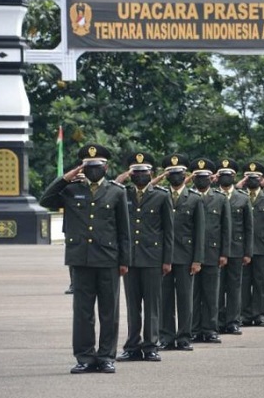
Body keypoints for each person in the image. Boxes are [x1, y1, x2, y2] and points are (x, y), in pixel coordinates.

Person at [40, 144, 131, 374]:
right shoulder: (71, 190)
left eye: (97, 166)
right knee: (83, 313)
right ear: (82, 168)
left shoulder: (116, 191)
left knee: (109, 312)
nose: (93, 170)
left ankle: (106, 357)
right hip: (80, 259)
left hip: (108, 259)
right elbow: (46, 200)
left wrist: (124, 261)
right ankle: (85, 357)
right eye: (88, 166)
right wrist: (65, 178)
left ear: (106, 167)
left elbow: (124, 230)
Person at [115, 152, 174, 363]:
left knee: (152, 305)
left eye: (144, 171)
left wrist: (167, 259)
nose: (140, 175)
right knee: (133, 306)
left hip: (153, 258)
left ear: (152, 173)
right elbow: (111, 188)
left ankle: (150, 346)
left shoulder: (161, 195)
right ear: (131, 174)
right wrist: (122, 177)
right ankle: (132, 346)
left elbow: (168, 231)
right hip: (130, 259)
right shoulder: (123, 193)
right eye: (136, 172)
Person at [158, 153, 205, 352]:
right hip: (163, 257)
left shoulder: (194, 198)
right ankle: (166, 336)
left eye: (179, 173)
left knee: (185, 298)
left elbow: (200, 231)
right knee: (165, 298)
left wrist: (197, 259)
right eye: (172, 173)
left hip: (186, 256)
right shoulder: (160, 196)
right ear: (167, 175)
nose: (175, 177)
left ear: (185, 175)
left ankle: (184, 336)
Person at [189, 158, 231, 343]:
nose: (201, 181)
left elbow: (226, 228)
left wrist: (224, 253)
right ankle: (194, 328)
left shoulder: (220, 199)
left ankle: (210, 329)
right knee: (193, 294)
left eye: (205, 177)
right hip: (190, 254)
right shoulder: (188, 197)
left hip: (213, 252)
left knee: (211, 294)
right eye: (198, 177)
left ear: (212, 178)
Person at [239, 162, 264, 327]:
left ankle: (260, 314)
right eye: (249, 177)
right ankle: (245, 314)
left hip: (263, 247)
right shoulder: (240, 196)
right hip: (243, 248)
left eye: (255, 177)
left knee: (261, 282)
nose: (252, 180)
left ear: (262, 179)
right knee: (244, 282)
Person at [216, 158, 254, 336]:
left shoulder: (242, 198)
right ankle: (217, 320)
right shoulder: (213, 195)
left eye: (228, 175)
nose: (225, 178)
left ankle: (232, 321)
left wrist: (248, 251)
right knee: (217, 287)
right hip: (216, 250)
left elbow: (248, 227)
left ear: (234, 176)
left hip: (237, 248)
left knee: (234, 287)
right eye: (222, 175)